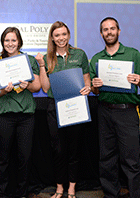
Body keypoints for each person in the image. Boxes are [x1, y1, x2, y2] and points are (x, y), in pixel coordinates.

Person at [89, 17, 140, 198]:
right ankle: (110, 195)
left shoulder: (133, 54)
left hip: (128, 112)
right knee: (106, 159)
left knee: (131, 160)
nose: (109, 32)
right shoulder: (97, 59)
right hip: (105, 111)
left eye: (112, 28)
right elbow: (95, 91)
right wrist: (95, 86)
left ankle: (134, 195)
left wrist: (139, 80)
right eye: (105, 30)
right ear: (101, 34)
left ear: (119, 31)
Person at [35, 21, 91, 198]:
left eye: (64, 34)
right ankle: (59, 188)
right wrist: (42, 66)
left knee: (74, 150)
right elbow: (44, 88)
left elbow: (87, 79)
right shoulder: (46, 58)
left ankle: (72, 189)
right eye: (57, 35)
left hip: (76, 106)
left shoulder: (79, 54)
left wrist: (88, 88)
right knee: (58, 150)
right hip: (55, 107)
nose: (61, 38)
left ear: (68, 35)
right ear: (52, 37)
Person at [0, 27, 41, 198]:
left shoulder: (30, 61)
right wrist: (5, 90)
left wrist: (28, 85)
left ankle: (22, 193)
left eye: (13, 40)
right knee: (1, 159)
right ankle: (0, 194)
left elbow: (37, 86)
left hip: (26, 117)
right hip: (4, 116)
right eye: (7, 40)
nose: (10, 44)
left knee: (24, 159)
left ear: (19, 41)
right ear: (2, 43)